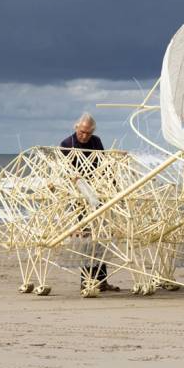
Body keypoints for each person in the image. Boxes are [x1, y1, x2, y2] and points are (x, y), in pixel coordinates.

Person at [60, 113, 119, 292]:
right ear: (76, 127)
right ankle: (86, 281)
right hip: (79, 197)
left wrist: (113, 187)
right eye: (82, 131)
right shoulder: (66, 145)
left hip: (97, 195)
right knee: (86, 240)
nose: (84, 136)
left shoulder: (96, 142)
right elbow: (64, 172)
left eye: (87, 133)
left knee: (100, 238)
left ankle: (102, 280)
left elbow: (104, 166)